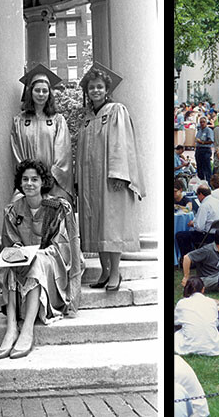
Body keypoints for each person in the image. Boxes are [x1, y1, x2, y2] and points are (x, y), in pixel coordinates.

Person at [0, 160, 83, 359]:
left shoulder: (58, 207)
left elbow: (65, 247)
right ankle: (11, 328)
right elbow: (10, 242)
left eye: (35, 179)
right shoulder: (13, 209)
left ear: (43, 182)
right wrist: (17, 251)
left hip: (51, 265)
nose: (29, 183)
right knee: (11, 264)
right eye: (25, 179)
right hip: (23, 265)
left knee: (36, 261)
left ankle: (27, 329)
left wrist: (38, 254)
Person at [76, 63, 145, 291]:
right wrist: (79, 180)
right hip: (90, 182)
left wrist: (118, 174)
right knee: (96, 225)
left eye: (99, 87)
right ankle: (105, 271)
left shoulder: (116, 111)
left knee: (111, 226)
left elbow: (121, 145)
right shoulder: (86, 118)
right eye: (91, 87)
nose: (95, 90)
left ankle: (116, 273)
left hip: (110, 180)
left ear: (107, 89)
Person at [10, 64, 73, 203]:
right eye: (37, 90)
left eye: (45, 91)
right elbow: (17, 152)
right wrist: (29, 177)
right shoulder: (19, 121)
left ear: (49, 93)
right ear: (30, 92)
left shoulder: (57, 120)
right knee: (17, 210)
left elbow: (63, 153)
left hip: (52, 183)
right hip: (28, 183)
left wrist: (48, 178)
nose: (41, 94)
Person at [174, 277, 219, 356]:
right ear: (203, 289)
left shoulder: (182, 303)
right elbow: (216, 323)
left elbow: (176, 322)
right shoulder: (211, 302)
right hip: (213, 347)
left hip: (188, 346)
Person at [175, 185, 219, 255]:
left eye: (197, 195)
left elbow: (199, 228)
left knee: (180, 235)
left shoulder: (204, 205)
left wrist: (193, 224)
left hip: (208, 235)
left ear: (201, 194)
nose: (197, 197)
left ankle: (189, 258)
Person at [193, 116, 214, 182]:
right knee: (199, 167)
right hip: (198, 150)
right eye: (201, 122)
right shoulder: (199, 130)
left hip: (205, 150)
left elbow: (211, 141)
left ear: (206, 122)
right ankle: (201, 181)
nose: (202, 123)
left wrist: (202, 142)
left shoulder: (208, 130)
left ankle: (209, 182)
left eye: (203, 122)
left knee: (207, 167)